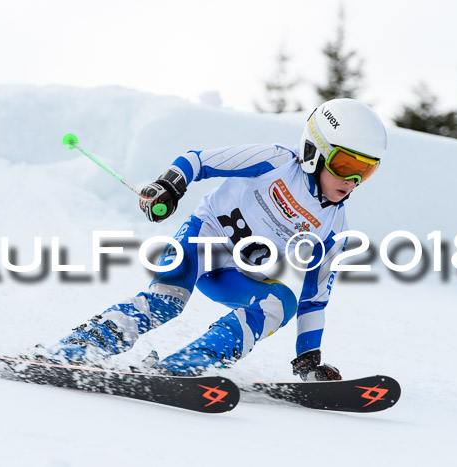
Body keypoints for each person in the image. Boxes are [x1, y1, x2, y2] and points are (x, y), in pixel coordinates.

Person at [46, 98, 387, 381]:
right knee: (167, 302)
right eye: (344, 165)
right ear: (316, 150)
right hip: (200, 242)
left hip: (233, 275)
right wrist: (169, 185)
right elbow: (198, 161)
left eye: (367, 170)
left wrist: (309, 359)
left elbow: (315, 297)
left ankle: (190, 364)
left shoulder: (333, 227)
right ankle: (79, 347)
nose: (353, 180)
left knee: (280, 302)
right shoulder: (276, 162)